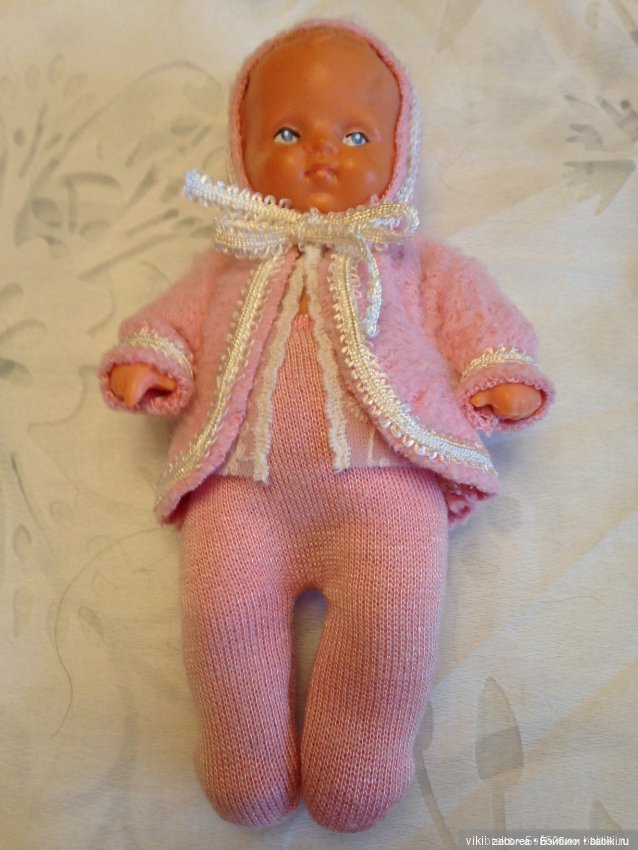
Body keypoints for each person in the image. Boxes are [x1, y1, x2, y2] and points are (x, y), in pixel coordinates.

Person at [99, 20, 554, 833]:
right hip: (240, 490)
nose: (320, 154)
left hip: (386, 489)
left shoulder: (414, 263)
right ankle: (243, 756)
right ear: (243, 153)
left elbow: (480, 320)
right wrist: (153, 360)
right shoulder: (230, 263)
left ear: (398, 152)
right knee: (221, 620)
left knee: (391, 626)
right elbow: (171, 322)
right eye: (287, 133)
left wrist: (501, 374)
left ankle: (362, 756)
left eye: (354, 135)